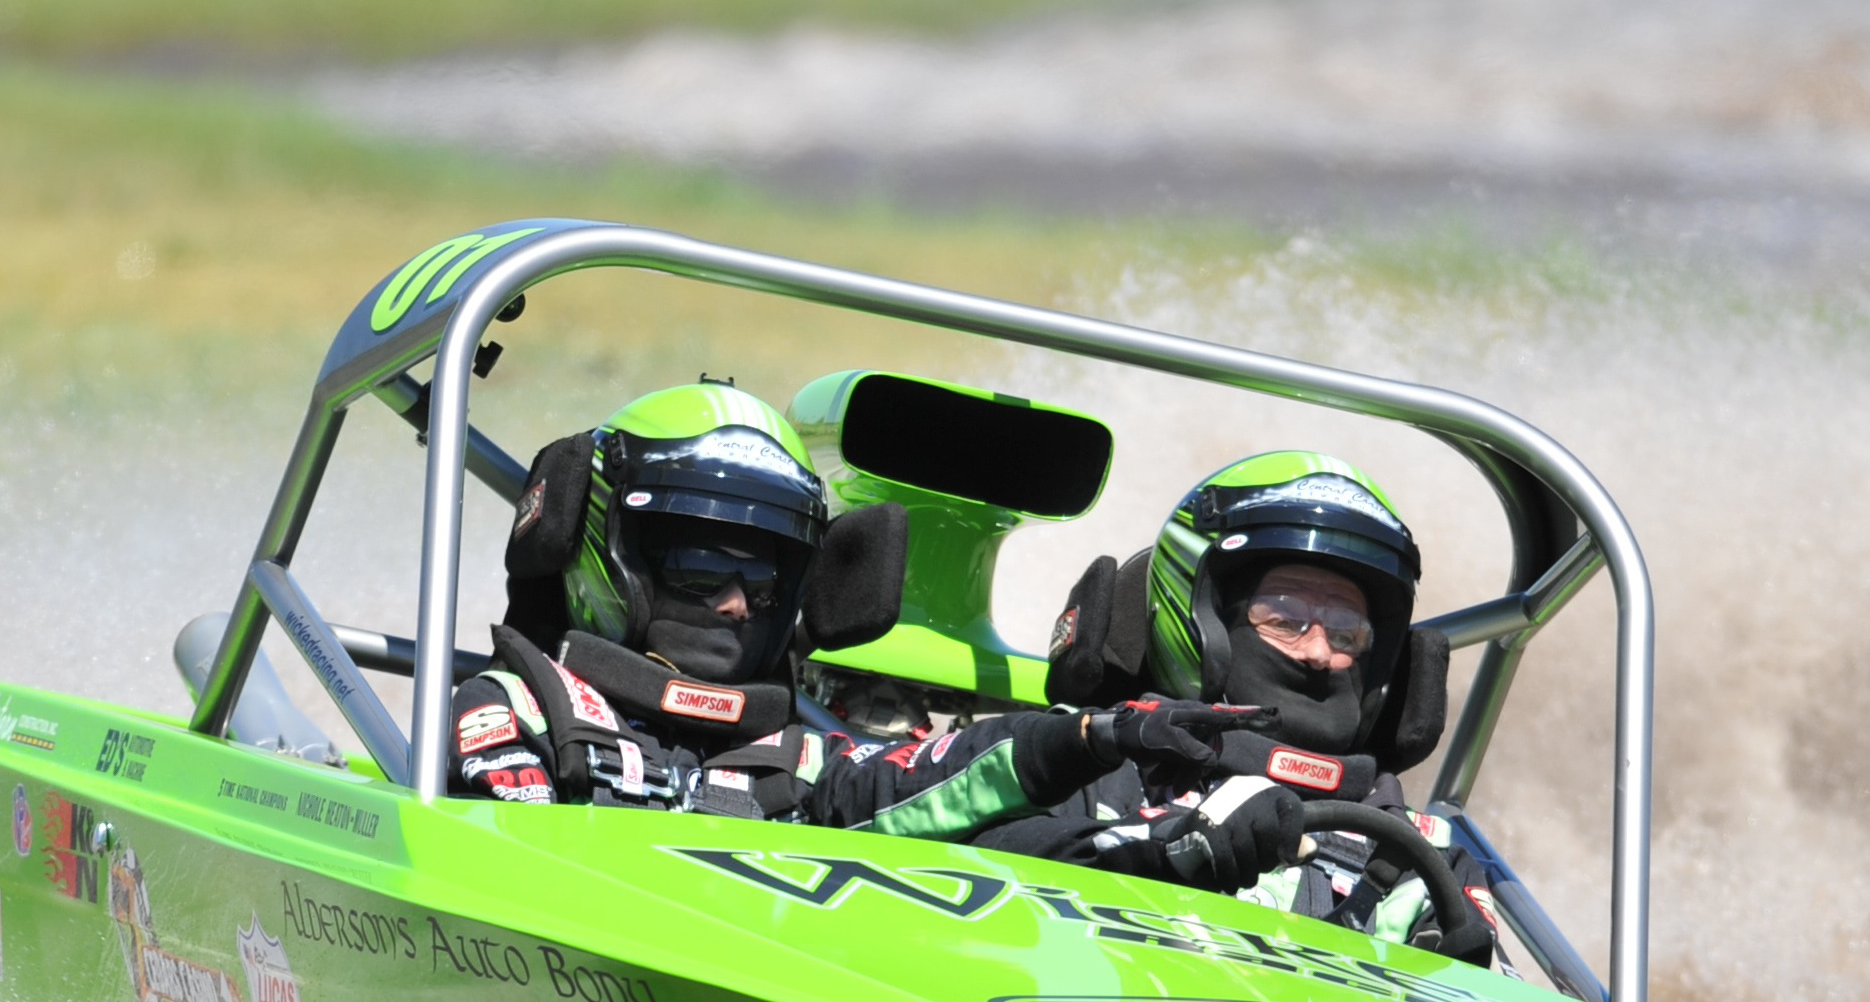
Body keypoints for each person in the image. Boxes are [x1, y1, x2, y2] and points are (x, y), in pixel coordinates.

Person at [804, 451, 1486, 952]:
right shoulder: (1079, 767)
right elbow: (856, 851)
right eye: (1284, 618)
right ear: (1201, 620)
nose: (1317, 653)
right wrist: (1155, 856)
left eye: (1347, 633)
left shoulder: (1422, 859)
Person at [448, 381, 887, 818]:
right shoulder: (522, 713)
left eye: (762, 584)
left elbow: (927, 781)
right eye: (701, 570)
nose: (736, 604)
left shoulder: (804, 757)